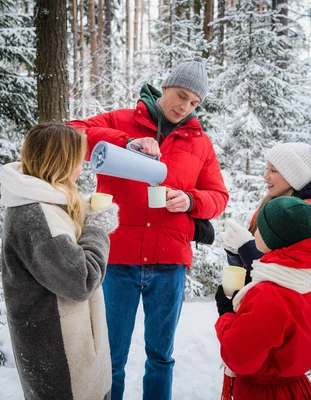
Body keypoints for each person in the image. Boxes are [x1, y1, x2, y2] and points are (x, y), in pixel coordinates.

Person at [68, 60, 229, 400]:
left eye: (193, 103)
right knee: (111, 357)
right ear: (166, 87)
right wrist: (127, 141)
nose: (184, 107)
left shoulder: (200, 143)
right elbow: (70, 133)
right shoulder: (123, 120)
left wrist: (189, 200)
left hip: (169, 263)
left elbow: (219, 196)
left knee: (161, 357)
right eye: (181, 96)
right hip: (117, 260)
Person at [0, 123, 119, 400]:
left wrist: (84, 214)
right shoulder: (35, 217)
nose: (81, 169)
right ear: (61, 162)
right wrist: (97, 229)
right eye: (78, 161)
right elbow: (82, 279)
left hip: (68, 347)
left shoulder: (43, 201)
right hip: (61, 358)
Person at [220, 131, 311, 347]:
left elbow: (290, 278)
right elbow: (260, 267)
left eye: (274, 170)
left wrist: (246, 247)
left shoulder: (307, 222)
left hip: (291, 333)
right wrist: (235, 252)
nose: (265, 176)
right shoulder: (274, 207)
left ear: (294, 176)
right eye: (267, 168)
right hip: (264, 318)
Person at [215, 196, 311, 400]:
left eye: (260, 228)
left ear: (276, 237)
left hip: (263, 393)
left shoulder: (270, 292)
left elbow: (239, 357)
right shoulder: (309, 281)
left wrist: (227, 316)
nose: (255, 232)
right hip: (298, 389)